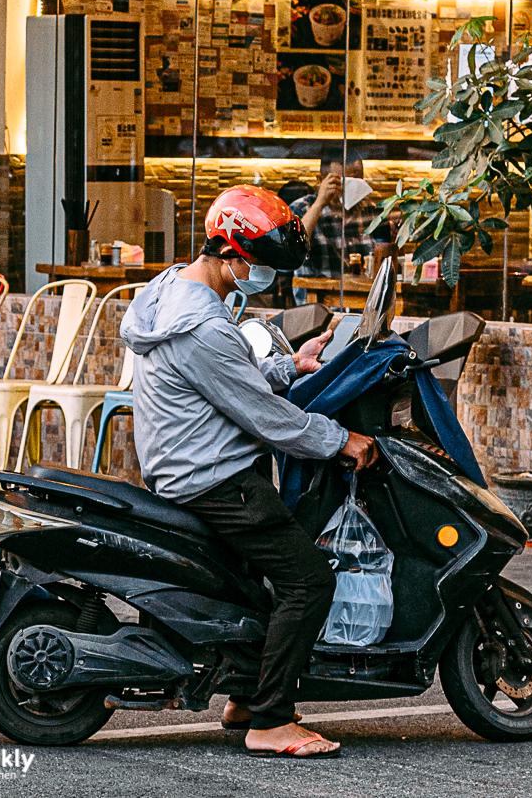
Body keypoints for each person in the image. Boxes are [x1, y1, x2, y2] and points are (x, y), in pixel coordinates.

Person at [121, 185, 377, 760]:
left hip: (185, 464)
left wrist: (291, 365)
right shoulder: (203, 325)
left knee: (250, 585)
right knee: (306, 580)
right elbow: (267, 419)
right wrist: (342, 440)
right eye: (261, 266)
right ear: (233, 255)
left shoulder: (173, 288)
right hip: (215, 478)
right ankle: (271, 720)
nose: (266, 280)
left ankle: (244, 696)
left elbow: (229, 377)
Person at [291, 152, 389, 280]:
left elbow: (385, 256)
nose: (351, 188)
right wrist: (319, 204)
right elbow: (292, 250)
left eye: (358, 182)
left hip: (363, 294)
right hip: (317, 295)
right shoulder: (302, 208)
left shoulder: (371, 210)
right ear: (321, 181)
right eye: (343, 182)